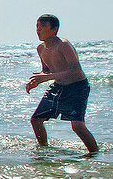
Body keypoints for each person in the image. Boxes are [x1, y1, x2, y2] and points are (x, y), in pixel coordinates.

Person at [25, 14, 99, 154]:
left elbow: (75, 71)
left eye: (43, 26)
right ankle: (43, 150)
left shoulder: (63, 45)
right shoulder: (40, 49)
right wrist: (36, 81)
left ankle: (94, 154)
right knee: (36, 120)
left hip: (77, 87)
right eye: (37, 26)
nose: (38, 29)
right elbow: (46, 71)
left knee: (77, 126)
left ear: (54, 29)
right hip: (58, 87)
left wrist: (47, 78)